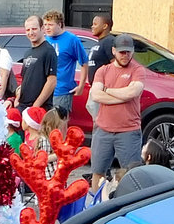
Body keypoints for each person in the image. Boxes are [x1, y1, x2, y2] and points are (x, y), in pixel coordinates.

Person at [88, 33, 145, 195]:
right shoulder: (103, 70)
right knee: (98, 172)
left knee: (131, 173)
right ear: (114, 51)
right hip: (103, 130)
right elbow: (96, 95)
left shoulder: (138, 70)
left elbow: (133, 92)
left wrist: (108, 91)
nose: (125, 55)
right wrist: (121, 96)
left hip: (128, 131)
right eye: (122, 52)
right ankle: (96, 205)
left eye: (128, 52)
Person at [43, 11, 87, 118]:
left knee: (59, 124)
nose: (47, 28)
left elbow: (84, 63)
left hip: (62, 91)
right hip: (44, 90)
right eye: (45, 25)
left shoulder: (72, 40)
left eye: (50, 25)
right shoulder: (44, 39)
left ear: (60, 24)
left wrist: (81, 86)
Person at [15, 15, 57, 112]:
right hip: (22, 106)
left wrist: (35, 106)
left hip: (38, 109)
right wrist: (17, 99)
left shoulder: (48, 51)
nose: (31, 33)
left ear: (42, 29)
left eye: (34, 29)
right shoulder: (28, 53)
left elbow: (51, 82)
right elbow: (25, 80)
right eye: (28, 30)